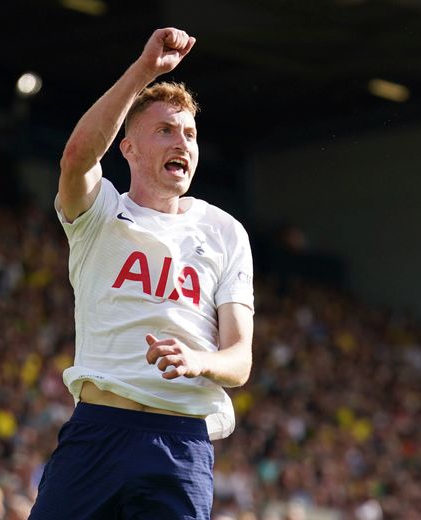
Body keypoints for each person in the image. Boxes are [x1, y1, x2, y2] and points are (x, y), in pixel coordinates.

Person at [28, 27, 255, 519]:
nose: (184, 143)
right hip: (98, 432)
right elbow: (76, 157)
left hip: (181, 443)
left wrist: (199, 361)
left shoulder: (225, 231)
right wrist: (145, 71)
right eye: (166, 131)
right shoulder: (100, 212)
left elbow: (239, 362)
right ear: (127, 149)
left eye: (191, 134)